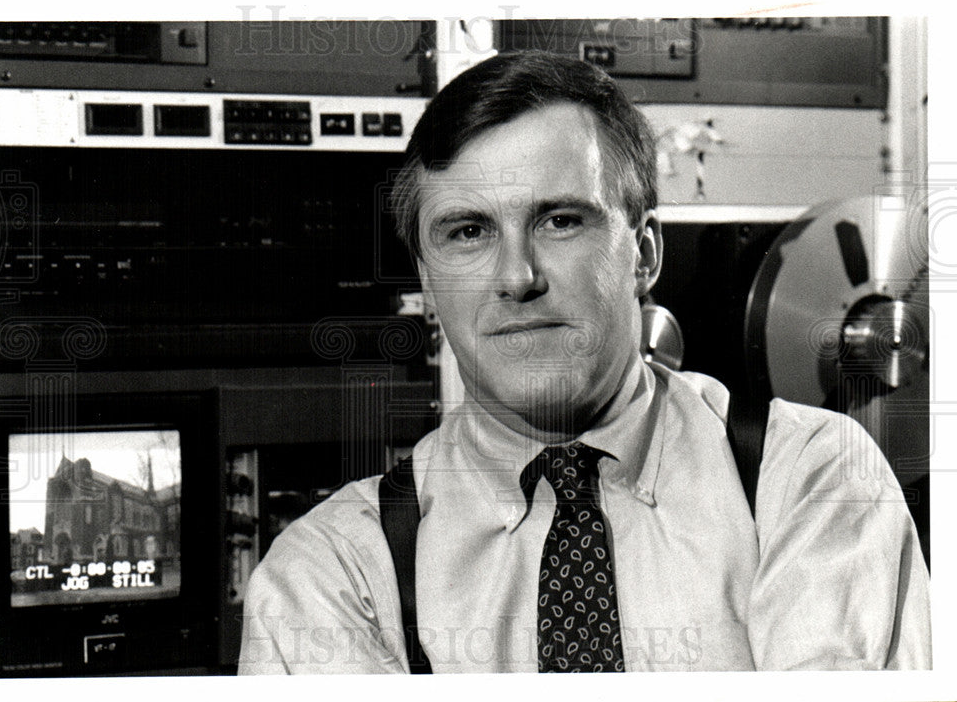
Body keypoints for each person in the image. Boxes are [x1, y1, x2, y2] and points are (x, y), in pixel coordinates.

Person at [238, 51, 931, 673]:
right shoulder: (333, 571)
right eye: (468, 232)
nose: (517, 276)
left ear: (646, 254)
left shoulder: (813, 480)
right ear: (427, 279)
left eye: (560, 220)